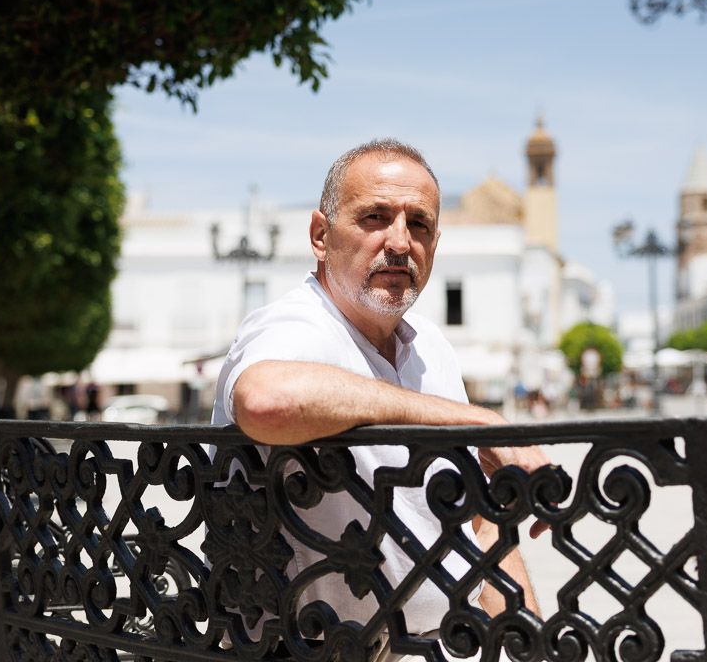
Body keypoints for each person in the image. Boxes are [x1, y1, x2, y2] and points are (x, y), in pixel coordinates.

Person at [212, 139, 549, 657]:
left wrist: (534, 646)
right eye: (374, 217)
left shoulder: (432, 346)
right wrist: (468, 421)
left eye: (419, 224)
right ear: (321, 236)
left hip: (446, 644)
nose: (400, 241)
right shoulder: (297, 325)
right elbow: (264, 400)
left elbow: (481, 529)